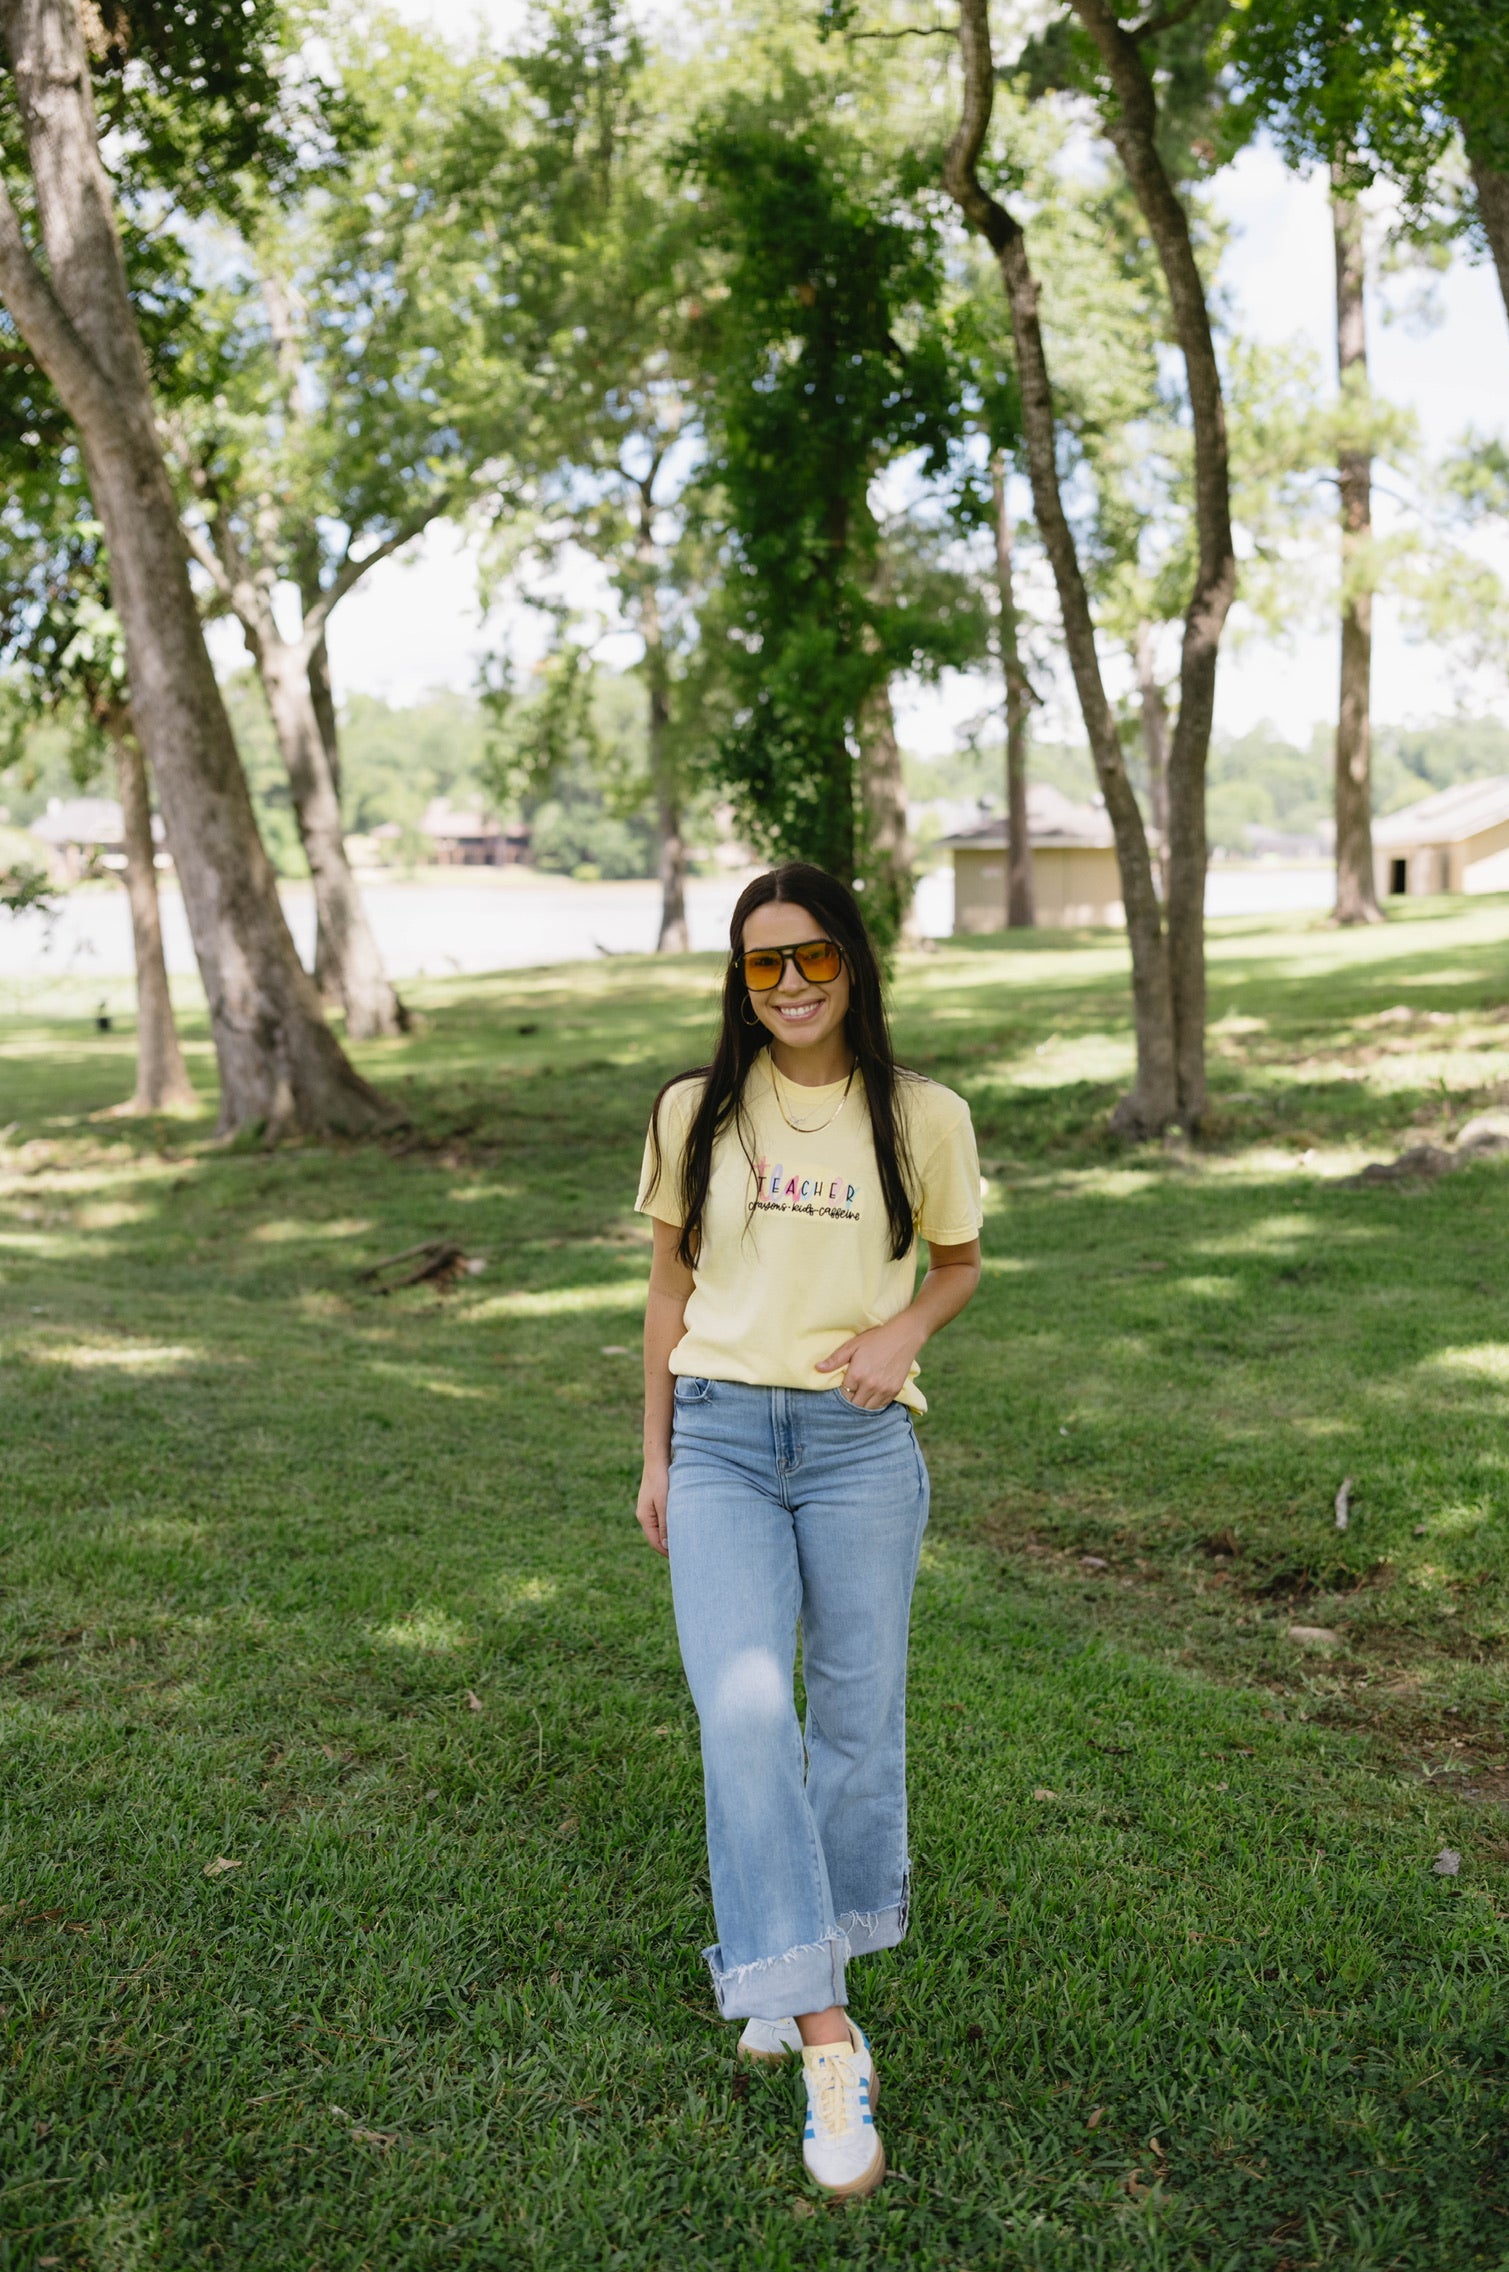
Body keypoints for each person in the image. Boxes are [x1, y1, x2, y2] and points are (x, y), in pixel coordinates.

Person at [635, 861, 982, 2199]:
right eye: (763, 963)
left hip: (855, 1451)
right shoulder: (694, 1111)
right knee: (741, 1709)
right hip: (721, 1434)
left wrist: (903, 1334)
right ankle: (827, 2036)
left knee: (853, 1720)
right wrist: (656, 1453)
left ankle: (797, 1969)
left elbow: (956, 1266)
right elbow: (667, 1287)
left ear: (854, 965)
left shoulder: (922, 1115)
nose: (788, 986)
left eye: (813, 960)